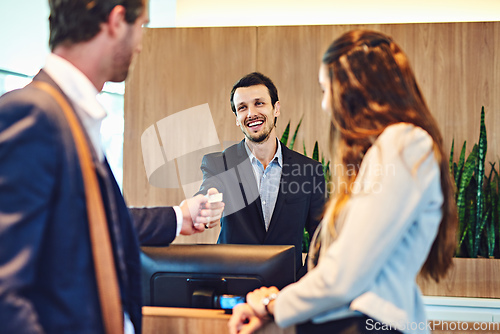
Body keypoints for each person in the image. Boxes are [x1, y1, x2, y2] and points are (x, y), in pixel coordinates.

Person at [0, 0, 223, 333]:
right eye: (141, 27)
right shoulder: (33, 114)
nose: (141, 45)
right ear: (117, 21)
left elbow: (100, 226)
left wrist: (180, 218)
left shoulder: (72, 116)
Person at [228, 30, 457, 334]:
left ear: (355, 85)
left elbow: (346, 273)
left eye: (326, 90)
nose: (325, 104)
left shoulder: (403, 143)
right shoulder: (385, 149)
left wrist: (273, 303)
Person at [197, 72, 326, 277]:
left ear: (276, 109)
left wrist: (300, 283)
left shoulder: (309, 171)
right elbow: (206, 193)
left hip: (286, 295)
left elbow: (322, 239)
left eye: (259, 103)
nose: (251, 113)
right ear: (237, 119)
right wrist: (206, 204)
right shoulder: (218, 164)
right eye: (243, 108)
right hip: (232, 289)